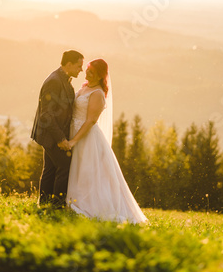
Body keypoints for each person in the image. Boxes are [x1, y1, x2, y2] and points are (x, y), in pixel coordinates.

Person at [66, 59, 148, 224]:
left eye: (91, 71)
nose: (87, 73)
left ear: (99, 74)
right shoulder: (84, 88)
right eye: (87, 69)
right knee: (74, 171)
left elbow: (90, 121)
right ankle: (70, 200)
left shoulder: (97, 93)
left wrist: (74, 140)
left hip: (86, 137)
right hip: (73, 130)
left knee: (86, 173)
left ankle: (85, 204)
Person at [31, 50, 84, 205]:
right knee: (65, 166)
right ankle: (57, 206)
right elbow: (46, 115)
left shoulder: (64, 79)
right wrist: (60, 138)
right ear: (69, 64)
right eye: (79, 66)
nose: (81, 69)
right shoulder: (54, 81)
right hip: (51, 134)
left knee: (50, 169)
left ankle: (45, 204)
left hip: (52, 133)